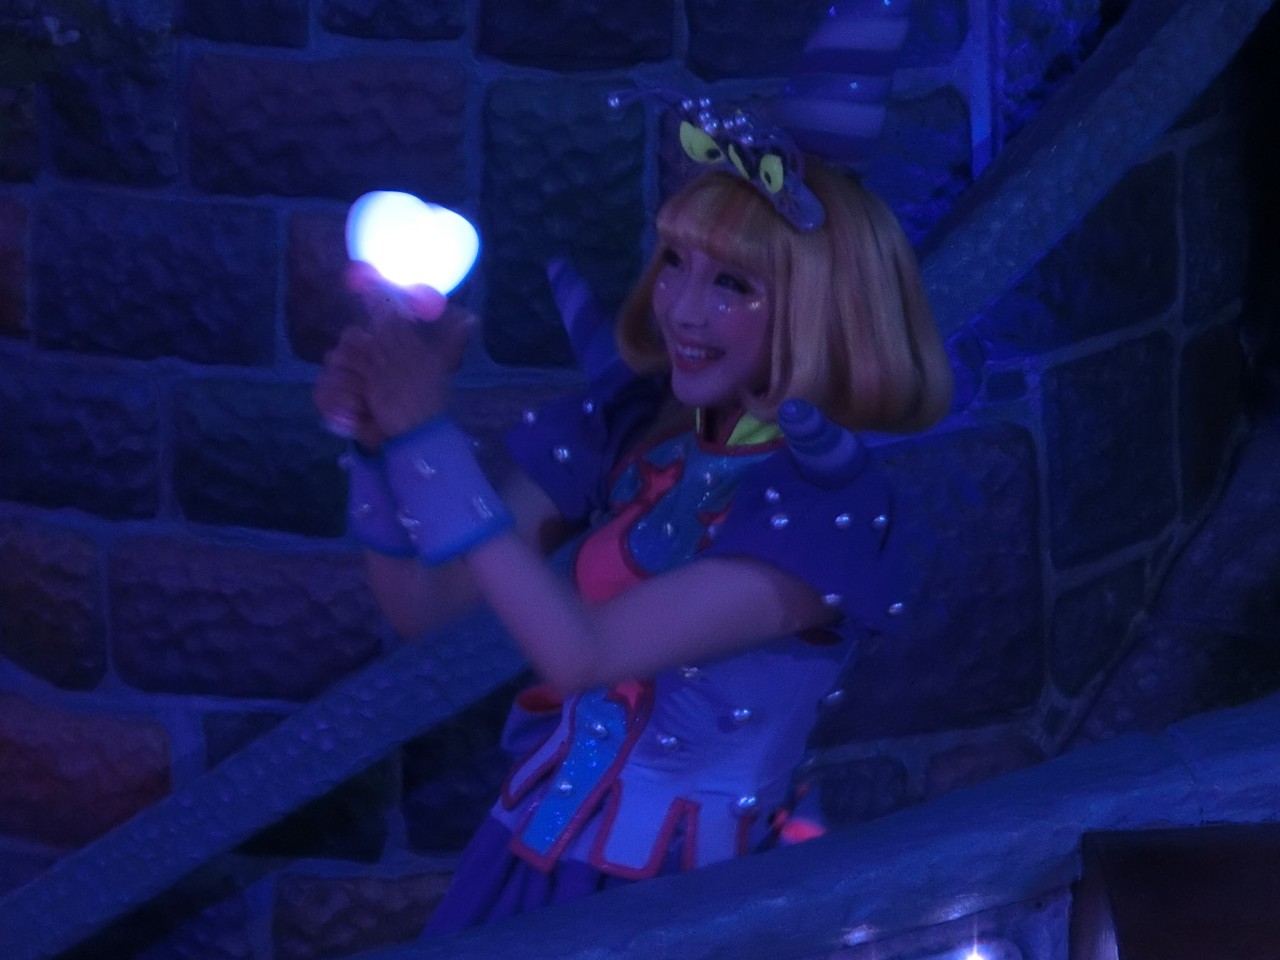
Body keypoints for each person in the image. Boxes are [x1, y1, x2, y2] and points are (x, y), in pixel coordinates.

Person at [313, 109, 952, 932]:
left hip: (684, 905)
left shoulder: (829, 504)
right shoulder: (636, 427)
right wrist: (380, 451)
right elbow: (425, 607)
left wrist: (427, 437)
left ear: (819, 307)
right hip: (526, 860)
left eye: (733, 285)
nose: (680, 309)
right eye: (677, 263)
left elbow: (583, 654)